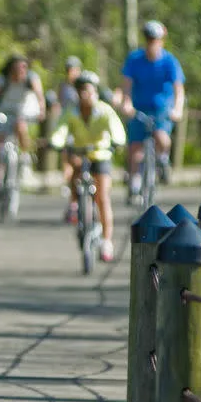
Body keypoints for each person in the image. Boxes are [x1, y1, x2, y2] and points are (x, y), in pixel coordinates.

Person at [50, 71, 126, 262]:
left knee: (102, 197)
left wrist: (116, 141)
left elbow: (117, 130)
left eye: (89, 90)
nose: (86, 94)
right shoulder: (71, 111)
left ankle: (107, 241)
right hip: (79, 153)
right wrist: (56, 142)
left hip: (100, 155)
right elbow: (60, 129)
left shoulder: (104, 110)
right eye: (82, 90)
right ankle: (75, 204)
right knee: (73, 170)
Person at [120, 20, 185, 201]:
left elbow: (178, 89)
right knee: (135, 147)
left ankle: (163, 159)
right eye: (149, 39)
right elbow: (126, 85)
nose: (152, 43)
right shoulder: (134, 60)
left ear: (161, 40)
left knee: (162, 138)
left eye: (155, 39)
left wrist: (177, 109)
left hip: (162, 109)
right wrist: (126, 103)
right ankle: (134, 182)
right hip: (139, 109)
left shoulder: (169, 62)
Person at [0, 54, 47, 200]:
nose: (21, 71)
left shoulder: (31, 78)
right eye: (17, 68)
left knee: (20, 124)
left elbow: (39, 95)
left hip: (26, 110)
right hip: (6, 111)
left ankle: (25, 155)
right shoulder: (3, 79)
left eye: (24, 68)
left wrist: (42, 109)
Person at [58, 56, 82, 222]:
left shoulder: (85, 86)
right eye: (68, 69)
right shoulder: (63, 87)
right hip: (68, 127)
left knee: (79, 164)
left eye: (73, 69)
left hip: (83, 130)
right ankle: (73, 203)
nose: (70, 72)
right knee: (69, 161)